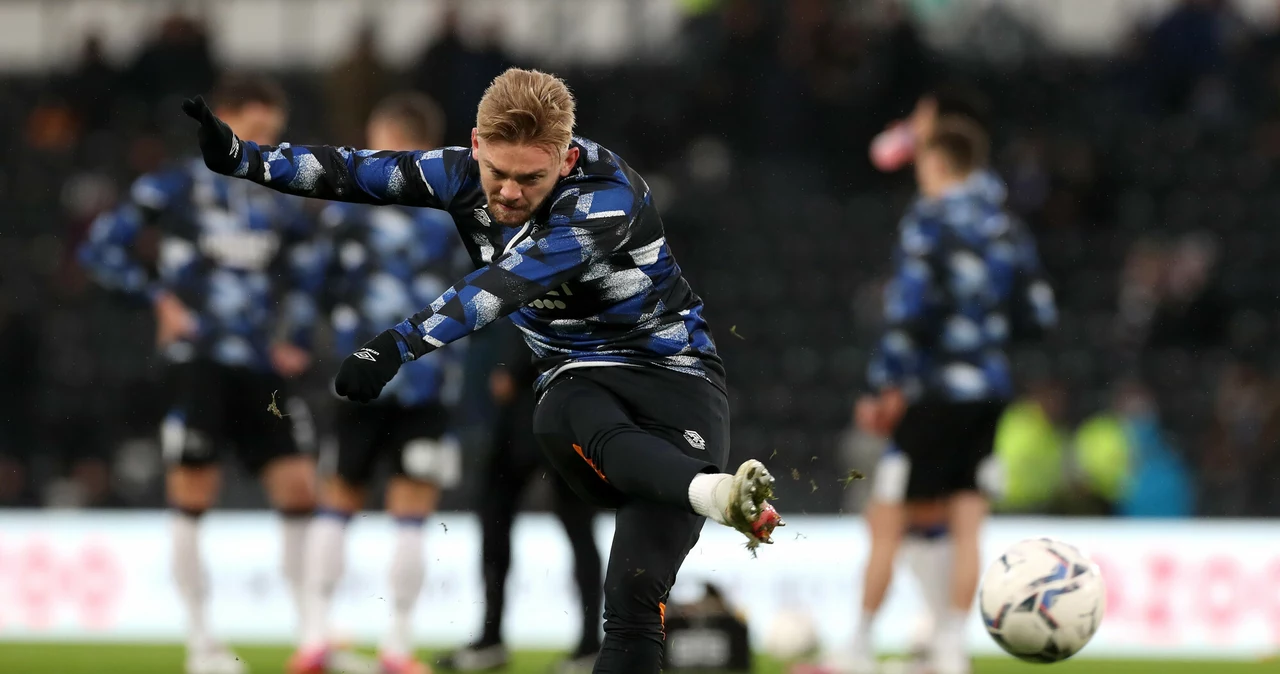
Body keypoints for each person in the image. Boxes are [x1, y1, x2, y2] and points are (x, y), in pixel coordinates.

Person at [181, 67, 784, 674]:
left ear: (568, 159)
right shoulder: (461, 174)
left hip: (678, 383)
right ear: (474, 146)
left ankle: (711, 491)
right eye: (498, 173)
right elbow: (355, 171)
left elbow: (501, 286)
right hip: (579, 377)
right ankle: (714, 491)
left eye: (532, 178)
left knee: (632, 592)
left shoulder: (607, 197)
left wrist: (396, 345)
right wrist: (241, 158)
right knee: (558, 412)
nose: (511, 193)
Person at [79, 74, 321, 674]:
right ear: (227, 121)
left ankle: (313, 638)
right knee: (193, 492)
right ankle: (200, 643)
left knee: (298, 487)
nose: (264, 145)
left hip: (261, 368)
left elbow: (309, 272)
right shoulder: (172, 188)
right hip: (198, 360)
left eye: (272, 135)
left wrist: (294, 335)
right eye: (256, 132)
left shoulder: (276, 198)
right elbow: (101, 250)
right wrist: (155, 298)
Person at [845, 117, 1058, 674]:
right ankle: (951, 647)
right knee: (968, 521)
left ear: (937, 163)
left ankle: (860, 646)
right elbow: (1039, 313)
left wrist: (879, 385)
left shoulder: (931, 220)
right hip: (987, 393)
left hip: (931, 392)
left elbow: (906, 312)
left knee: (885, 518)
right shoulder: (1005, 225)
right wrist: (985, 332)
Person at [288, 92, 465, 674]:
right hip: (428, 380)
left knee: (339, 499)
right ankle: (397, 645)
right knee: (412, 507)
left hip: (362, 377)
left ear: (394, 136)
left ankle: (314, 636)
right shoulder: (457, 213)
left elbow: (313, 286)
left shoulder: (347, 209)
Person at [436, 320, 603, 673]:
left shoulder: (536, 271)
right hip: (565, 407)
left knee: (508, 517)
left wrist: (509, 367)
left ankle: (498, 638)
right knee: (571, 526)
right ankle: (588, 644)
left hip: (537, 406)